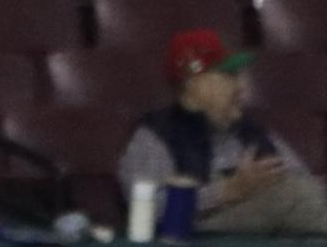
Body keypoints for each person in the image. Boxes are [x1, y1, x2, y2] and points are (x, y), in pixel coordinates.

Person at [118, 29, 327, 235]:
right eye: (228, 76)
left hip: (263, 245)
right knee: (292, 195)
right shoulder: (155, 136)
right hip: (192, 242)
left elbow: (307, 187)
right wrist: (226, 191)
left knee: (297, 193)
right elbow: (146, 209)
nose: (241, 86)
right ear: (195, 85)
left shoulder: (252, 133)